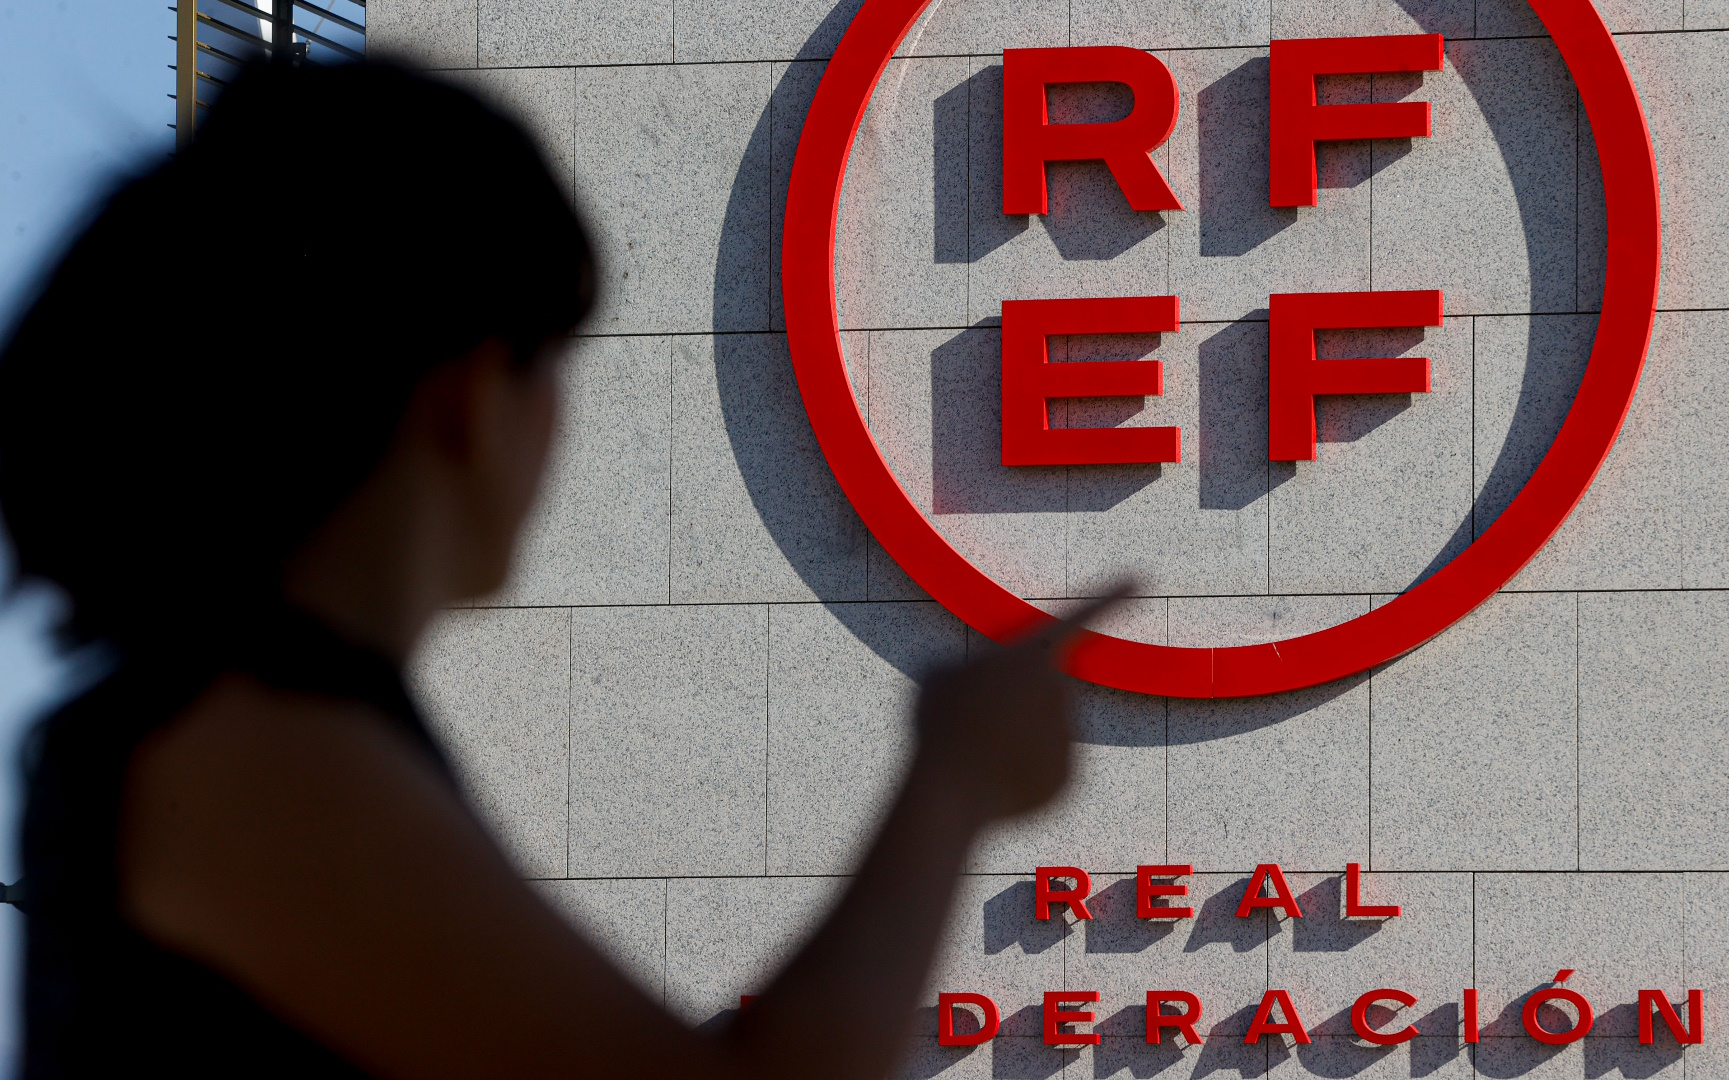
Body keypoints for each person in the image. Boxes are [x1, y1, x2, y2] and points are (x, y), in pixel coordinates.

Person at [0, 61, 1115, 1077]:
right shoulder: (256, 751)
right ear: (472, 393)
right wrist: (954, 777)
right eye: (557, 365)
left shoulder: (232, 727)